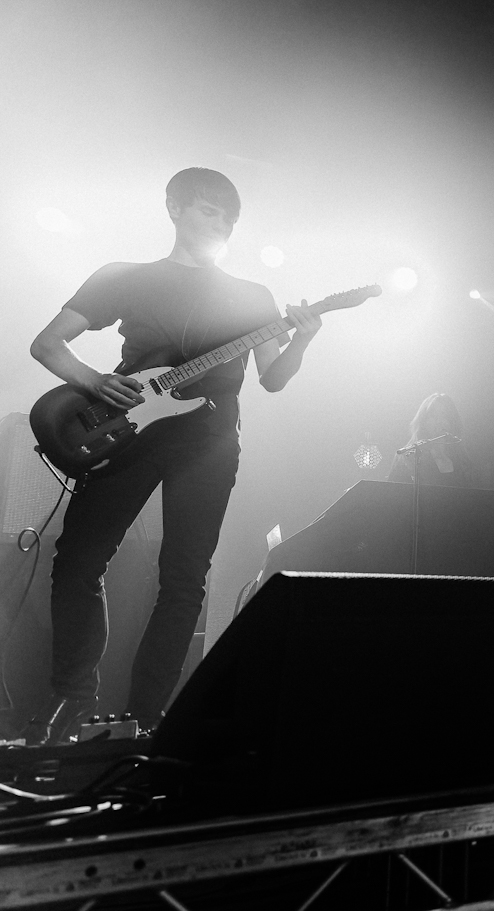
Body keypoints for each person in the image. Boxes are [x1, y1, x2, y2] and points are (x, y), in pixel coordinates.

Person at [25, 168, 324, 744]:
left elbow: (274, 379)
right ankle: (71, 703)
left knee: (184, 579)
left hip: (210, 441)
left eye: (228, 217)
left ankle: (143, 720)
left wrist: (304, 339)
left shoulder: (252, 296)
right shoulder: (125, 276)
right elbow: (47, 343)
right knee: (79, 561)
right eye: (208, 210)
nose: (219, 223)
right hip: (128, 430)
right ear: (174, 208)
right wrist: (93, 381)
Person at [387, 393, 479, 488]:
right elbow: (392, 495)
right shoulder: (408, 457)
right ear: (423, 421)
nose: (439, 421)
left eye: (444, 416)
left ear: (452, 421)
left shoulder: (463, 459)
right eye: (433, 416)